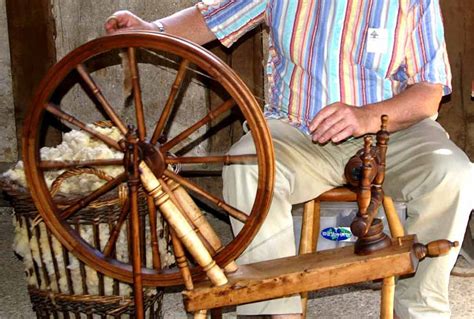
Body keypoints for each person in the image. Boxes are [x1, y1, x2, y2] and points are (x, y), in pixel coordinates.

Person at [105, 1, 473, 318]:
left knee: (452, 174)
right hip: (297, 129)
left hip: (389, 130)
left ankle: (420, 309)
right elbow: (212, 17)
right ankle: (274, 307)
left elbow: (428, 92)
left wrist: (365, 114)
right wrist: (150, 29)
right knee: (246, 168)